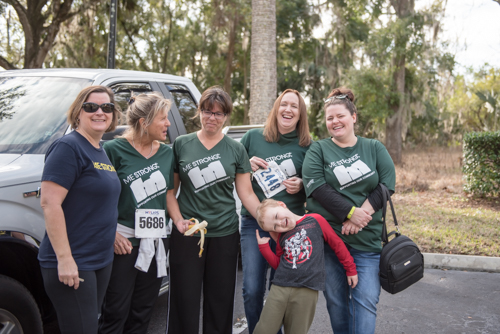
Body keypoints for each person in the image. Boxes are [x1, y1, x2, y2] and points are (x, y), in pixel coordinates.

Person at [166, 86, 261, 334]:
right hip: (188, 233)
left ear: (226, 116)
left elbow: (246, 193)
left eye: (219, 114)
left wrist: (265, 216)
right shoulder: (181, 144)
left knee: (220, 302)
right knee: (183, 301)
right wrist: (177, 220)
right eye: (208, 111)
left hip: (224, 233)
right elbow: (170, 192)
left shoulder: (236, 149)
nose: (212, 118)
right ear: (199, 112)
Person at [302, 88, 396, 334]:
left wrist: (359, 217)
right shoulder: (319, 150)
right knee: (336, 303)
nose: (335, 122)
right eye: (330, 118)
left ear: (353, 117)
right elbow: (317, 188)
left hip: (368, 243)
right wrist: (349, 213)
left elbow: (387, 184)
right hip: (331, 243)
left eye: (340, 116)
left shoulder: (374, 148)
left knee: (365, 302)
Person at [98, 93, 189, 333]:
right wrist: (111, 234)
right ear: (144, 123)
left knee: (142, 311)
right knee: (115, 311)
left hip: (157, 239)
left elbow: (169, 194)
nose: (168, 124)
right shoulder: (113, 149)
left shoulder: (167, 153)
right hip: (123, 243)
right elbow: (100, 197)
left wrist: (178, 221)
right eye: (163, 119)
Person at [38, 86, 122, 333]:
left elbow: (95, 204)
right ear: (78, 112)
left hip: (99, 260)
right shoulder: (68, 147)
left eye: (106, 107)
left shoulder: (99, 149)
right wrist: (65, 260)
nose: (99, 112)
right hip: (73, 262)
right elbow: (49, 203)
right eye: (91, 107)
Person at [239, 89, 312, 333]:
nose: (288, 109)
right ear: (276, 108)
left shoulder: (308, 146)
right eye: (284, 104)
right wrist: (245, 166)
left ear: (301, 115)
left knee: (280, 291)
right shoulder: (252, 138)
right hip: (254, 222)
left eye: (295, 106)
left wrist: (302, 182)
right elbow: (233, 174)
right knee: (252, 289)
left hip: (291, 226)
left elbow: (318, 183)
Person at [253, 199, 358, 334]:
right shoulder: (281, 237)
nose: (279, 223)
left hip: (307, 290)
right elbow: (279, 265)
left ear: (282, 205)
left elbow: (337, 244)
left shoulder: (315, 220)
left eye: (276, 216)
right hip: (280, 288)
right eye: (274, 227)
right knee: (262, 330)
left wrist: (350, 269)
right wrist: (264, 248)